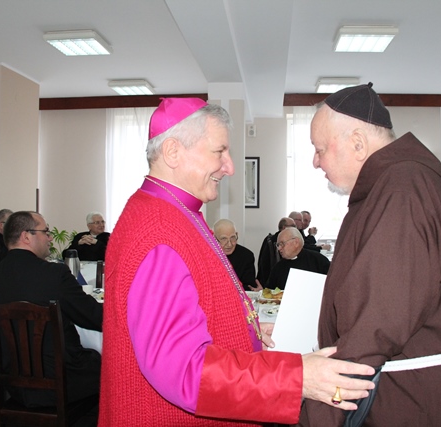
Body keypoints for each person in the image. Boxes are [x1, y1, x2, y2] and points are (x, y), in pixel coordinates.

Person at [99, 98, 376, 426]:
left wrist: (249, 334)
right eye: (220, 152)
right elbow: (184, 369)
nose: (229, 167)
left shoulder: (175, 212)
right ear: (173, 152)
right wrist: (297, 378)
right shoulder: (157, 230)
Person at [300, 83, 441, 426]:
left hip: (431, 399)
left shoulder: (402, 192)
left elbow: (376, 325)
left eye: (319, 149)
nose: (315, 161)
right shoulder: (407, 179)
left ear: (358, 143)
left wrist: (318, 413)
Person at [0, 211, 102, 408]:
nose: (50, 238)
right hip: (63, 378)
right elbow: (93, 316)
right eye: (45, 232)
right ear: (26, 236)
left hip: (13, 383)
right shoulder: (54, 274)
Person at [212, 219, 257, 291]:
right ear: (214, 238)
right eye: (223, 239)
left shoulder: (247, 256)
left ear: (237, 235)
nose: (229, 244)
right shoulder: (207, 256)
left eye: (233, 238)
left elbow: (249, 288)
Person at [256, 216, 296, 286]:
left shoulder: (293, 241)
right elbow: (264, 263)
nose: (295, 228)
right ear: (284, 228)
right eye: (293, 226)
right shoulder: (270, 241)